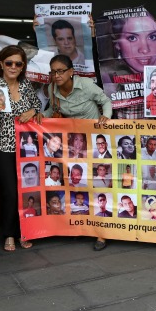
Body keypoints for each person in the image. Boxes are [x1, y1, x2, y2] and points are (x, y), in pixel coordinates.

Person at [41, 54, 112, 251]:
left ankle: (101, 234)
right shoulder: (51, 89)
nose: (56, 75)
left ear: (71, 72)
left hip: (93, 142)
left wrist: (106, 116)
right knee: (77, 185)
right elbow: (51, 111)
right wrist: (39, 117)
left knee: (96, 186)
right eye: (53, 71)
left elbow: (105, 101)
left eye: (60, 71)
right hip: (73, 145)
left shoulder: (86, 85)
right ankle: (79, 227)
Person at [0, 45, 41, 252]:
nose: (13, 67)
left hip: (26, 147)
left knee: (27, 190)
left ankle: (25, 232)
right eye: (9, 63)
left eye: (18, 63)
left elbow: (38, 107)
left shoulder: (26, 86)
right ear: (1, 64)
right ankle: (9, 234)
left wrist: (32, 111)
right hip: (2, 147)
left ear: (23, 66)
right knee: (10, 192)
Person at [103, 13, 156, 120]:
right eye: (132, 38)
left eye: (152, 36)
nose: (145, 49)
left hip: (149, 133)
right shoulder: (108, 77)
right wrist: (92, 33)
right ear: (117, 43)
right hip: (122, 133)